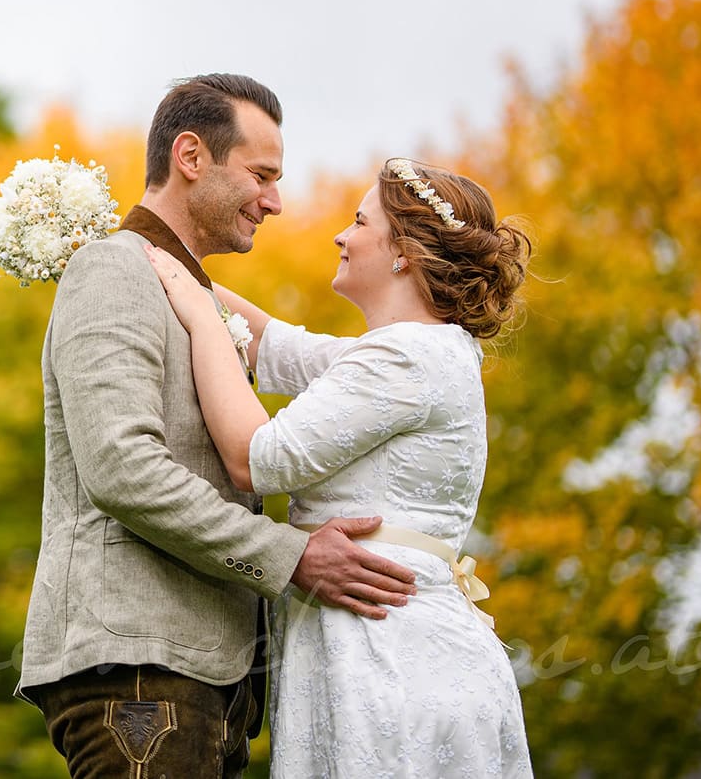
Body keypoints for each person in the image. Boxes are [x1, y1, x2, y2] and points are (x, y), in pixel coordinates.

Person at [17, 74, 419, 779]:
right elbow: (121, 468)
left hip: (205, 682)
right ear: (192, 156)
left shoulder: (188, 290)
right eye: (261, 175)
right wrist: (290, 555)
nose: (276, 201)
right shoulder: (112, 271)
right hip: (139, 670)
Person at [142, 157, 535, 776]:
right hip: (382, 640)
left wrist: (194, 312)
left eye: (358, 221)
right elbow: (271, 344)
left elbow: (254, 459)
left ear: (403, 252)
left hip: (386, 652)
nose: (341, 236)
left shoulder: (407, 359)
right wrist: (147, 256)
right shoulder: (418, 353)